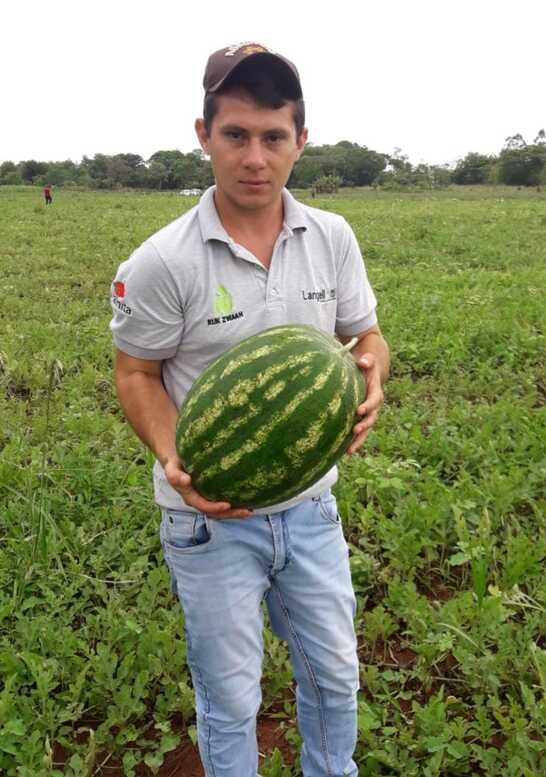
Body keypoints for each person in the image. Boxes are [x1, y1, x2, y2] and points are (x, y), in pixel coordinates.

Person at [110, 41, 390, 777]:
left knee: (334, 675)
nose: (254, 157)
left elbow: (365, 335)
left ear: (302, 140)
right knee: (230, 695)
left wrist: (372, 377)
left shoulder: (332, 237)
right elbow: (135, 371)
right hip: (207, 519)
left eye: (273, 136)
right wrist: (175, 455)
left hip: (311, 510)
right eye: (236, 134)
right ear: (204, 135)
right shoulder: (163, 261)